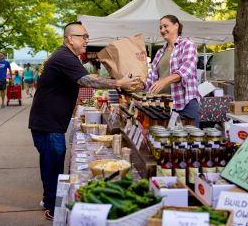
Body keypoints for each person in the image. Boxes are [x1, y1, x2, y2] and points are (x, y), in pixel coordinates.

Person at [28, 21, 140, 221]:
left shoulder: (67, 56)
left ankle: (49, 199)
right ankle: (54, 207)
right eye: (83, 36)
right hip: (48, 122)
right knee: (53, 163)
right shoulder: (65, 57)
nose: (87, 40)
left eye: (86, 37)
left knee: (51, 161)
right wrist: (118, 83)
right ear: (71, 39)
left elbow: (84, 77)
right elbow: (86, 80)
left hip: (47, 120)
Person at [145, 15, 200, 126]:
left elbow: (186, 70)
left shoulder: (187, 45)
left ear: (176, 26)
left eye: (165, 26)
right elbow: (151, 79)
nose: (162, 30)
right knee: (166, 141)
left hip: (185, 104)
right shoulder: (160, 52)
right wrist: (131, 85)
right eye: (160, 27)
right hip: (165, 105)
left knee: (189, 141)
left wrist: (164, 81)